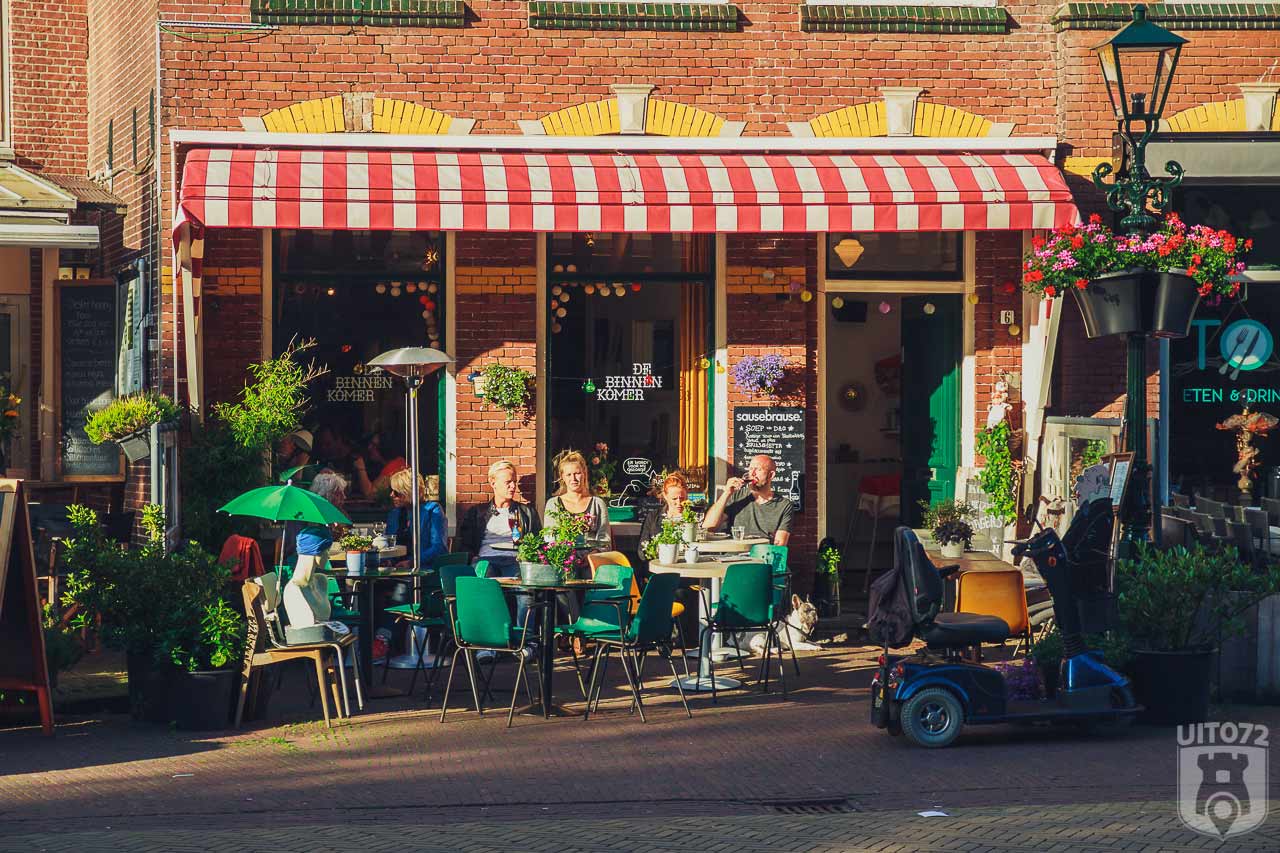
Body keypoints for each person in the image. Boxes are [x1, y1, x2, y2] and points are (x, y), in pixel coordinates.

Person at [458, 459, 541, 579]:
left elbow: (537, 542)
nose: (513, 486)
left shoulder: (527, 513)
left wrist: (527, 557)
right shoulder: (476, 512)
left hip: (515, 560)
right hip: (486, 559)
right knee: (485, 576)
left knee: (520, 582)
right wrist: (473, 558)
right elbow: (466, 543)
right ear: (493, 483)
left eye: (514, 482)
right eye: (508, 482)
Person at [702, 454, 795, 546]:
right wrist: (726, 493)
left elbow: (779, 544)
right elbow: (708, 528)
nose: (752, 473)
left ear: (771, 475)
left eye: (758, 469)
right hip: (734, 553)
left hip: (762, 553)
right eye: (750, 469)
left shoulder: (783, 505)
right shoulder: (736, 496)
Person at [542, 450, 611, 552]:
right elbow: (549, 539)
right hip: (563, 558)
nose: (573, 478)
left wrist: (593, 554)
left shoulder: (597, 504)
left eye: (577, 473)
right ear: (562, 477)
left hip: (593, 558)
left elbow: (605, 540)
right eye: (568, 475)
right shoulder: (554, 504)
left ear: (584, 474)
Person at [386, 468, 448, 568]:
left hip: (424, 569)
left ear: (408, 492)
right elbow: (388, 546)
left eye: (396, 492)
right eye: (391, 491)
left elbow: (438, 547)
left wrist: (412, 562)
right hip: (396, 569)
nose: (391, 495)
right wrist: (388, 561)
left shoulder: (432, 510)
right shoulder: (394, 514)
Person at [638, 472, 691, 576]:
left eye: (682, 498)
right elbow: (642, 549)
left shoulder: (692, 517)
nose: (679, 503)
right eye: (674, 499)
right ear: (665, 496)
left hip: (686, 569)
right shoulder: (654, 517)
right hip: (660, 570)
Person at [352, 431, 408, 498]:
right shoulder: (393, 463)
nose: (369, 448)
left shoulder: (395, 466)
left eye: (374, 445)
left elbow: (370, 493)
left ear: (384, 448)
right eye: (370, 444)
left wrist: (361, 468)